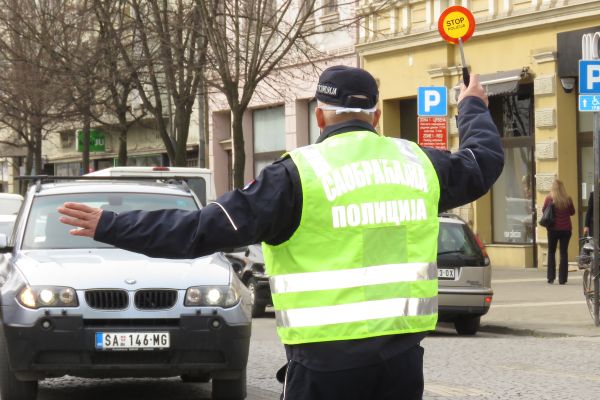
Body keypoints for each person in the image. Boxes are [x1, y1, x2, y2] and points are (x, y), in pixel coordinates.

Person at [58, 66, 504, 400]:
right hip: (402, 363)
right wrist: (472, 107)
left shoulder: (296, 176)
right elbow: (484, 160)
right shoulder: (418, 164)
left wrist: (112, 224)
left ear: (322, 117)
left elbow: (199, 230)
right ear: (378, 115)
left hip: (325, 367)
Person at [542, 179, 575, 285]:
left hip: (553, 229)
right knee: (563, 253)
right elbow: (572, 212)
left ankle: (551, 277)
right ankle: (562, 279)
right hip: (566, 230)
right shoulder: (568, 199)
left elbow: (544, 211)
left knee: (551, 252)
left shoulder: (549, 199)